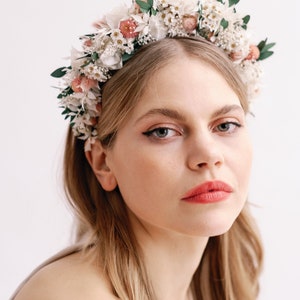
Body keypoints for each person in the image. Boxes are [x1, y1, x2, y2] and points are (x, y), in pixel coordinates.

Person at [12, 0, 275, 299]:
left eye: (225, 125)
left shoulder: (208, 289)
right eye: (163, 131)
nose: (208, 155)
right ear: (102, 162)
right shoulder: (72, 294)